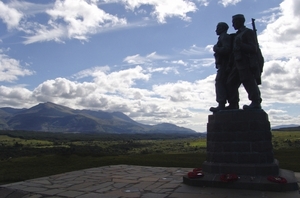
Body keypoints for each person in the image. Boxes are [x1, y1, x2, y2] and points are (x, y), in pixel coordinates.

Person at [226, 14, 262, 110]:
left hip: (246, 62)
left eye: (234, 22)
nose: (233, 25)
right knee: (230, 83)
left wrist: (241, 45)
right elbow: (234, 51)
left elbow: (253, 48)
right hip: (237, 63)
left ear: (239, 22)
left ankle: (256, 102)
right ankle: (233, 104)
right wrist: (230, 64)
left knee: (249, 82)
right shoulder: (237, 35)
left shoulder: (248, 32)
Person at [209, 22, 232, 113]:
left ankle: (221, 104)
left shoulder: (225, 37)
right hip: (223, 65)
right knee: (224, 83)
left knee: (220, 83)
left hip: (225, 65)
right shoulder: (222, 37)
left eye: (218, 28)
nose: (216, 30)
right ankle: (226, 103)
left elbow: (227, 49)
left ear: (222, 28)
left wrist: (216, 49)